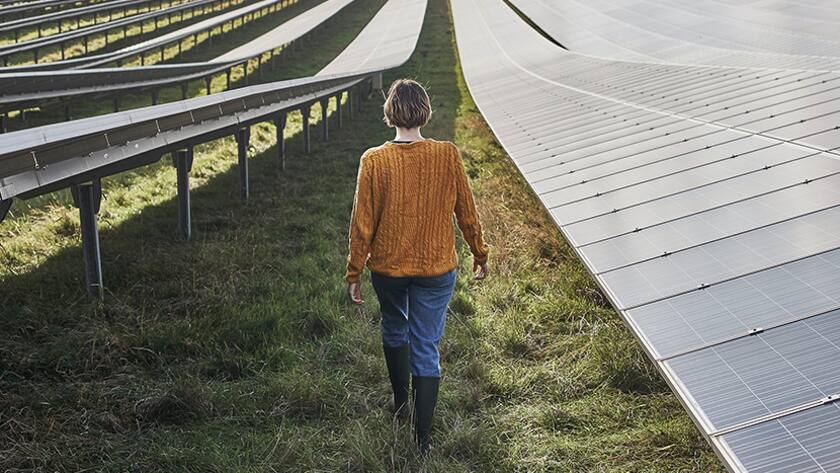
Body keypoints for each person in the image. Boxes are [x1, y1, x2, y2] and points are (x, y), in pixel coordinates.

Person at [345, 78, 489, 455]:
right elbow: (466, 211)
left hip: (388, 269)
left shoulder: (373, 160)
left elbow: (362, 222)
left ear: (390, 112)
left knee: (394, 326)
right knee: (426, 345)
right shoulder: (447, 154)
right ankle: (422, 440)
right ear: (425, 111)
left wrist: (355, 271)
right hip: (436, 268)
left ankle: (400, 402)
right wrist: (479, 251)